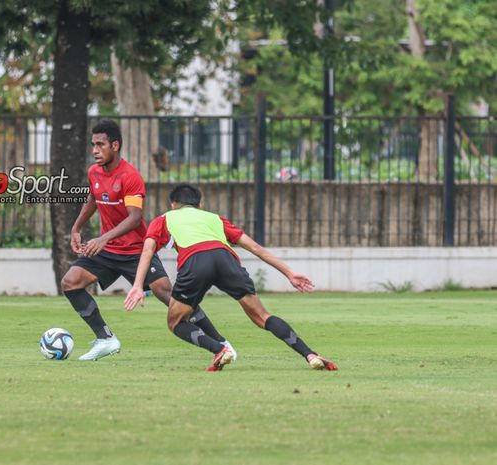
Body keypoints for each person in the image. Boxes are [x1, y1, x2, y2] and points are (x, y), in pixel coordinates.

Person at [61, 120, 236, 361]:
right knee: (70, 282)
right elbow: (93, 198)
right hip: (108, 251)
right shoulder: (94, 172)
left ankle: (220, 342)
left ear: (115, 145)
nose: (95, 150)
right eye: (93, 145)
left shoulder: (130, 176)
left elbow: (135, 218)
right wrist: (77, 227)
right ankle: (105, 339)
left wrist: (102, 238)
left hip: (135, 251)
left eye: (100, 145)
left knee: (172, 298)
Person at [124, 184, 338, 372]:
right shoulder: (214, 218)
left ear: (173, 204)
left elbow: (147, 251)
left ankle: (220, 349)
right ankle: (310, 355)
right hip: (226, 259)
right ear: (200, 204)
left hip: (195, 261)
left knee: (175, 321)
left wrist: (136, 285)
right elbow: (255, 247)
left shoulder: (164, 219)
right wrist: (289, 273)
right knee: (262, 317)